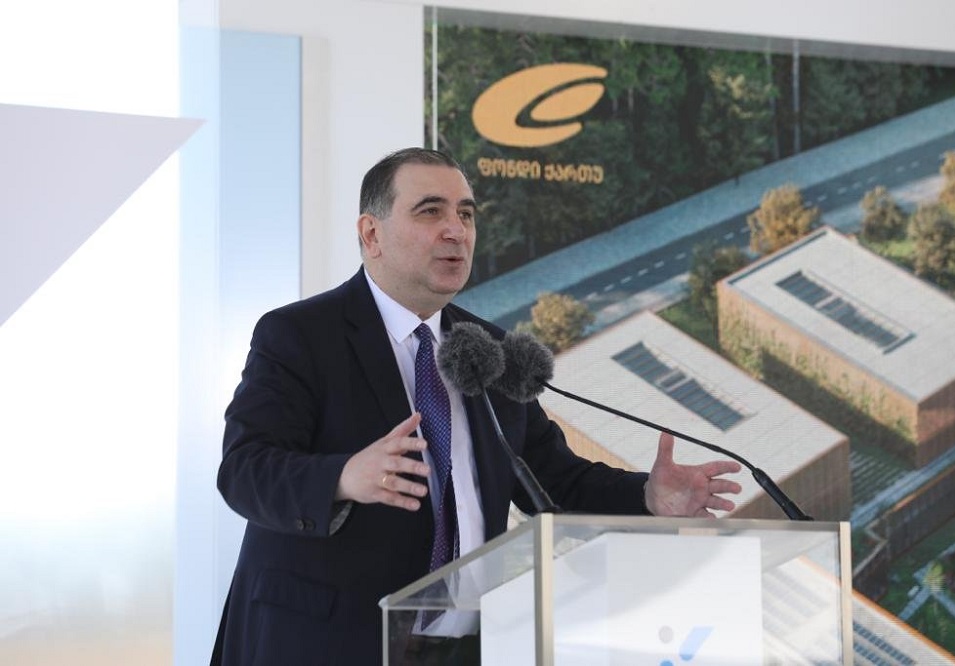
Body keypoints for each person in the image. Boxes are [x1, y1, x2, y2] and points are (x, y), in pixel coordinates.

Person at [211, 147, 742, 665]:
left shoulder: (490, 350)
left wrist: (647, 496)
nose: (456, 231)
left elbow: (556, 480)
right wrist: (345, 476)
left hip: (463, 651)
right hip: (324, 642)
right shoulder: (302, 335)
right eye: (431, 212)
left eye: (465, 214)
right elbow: (244, 469)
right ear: (371, 234)